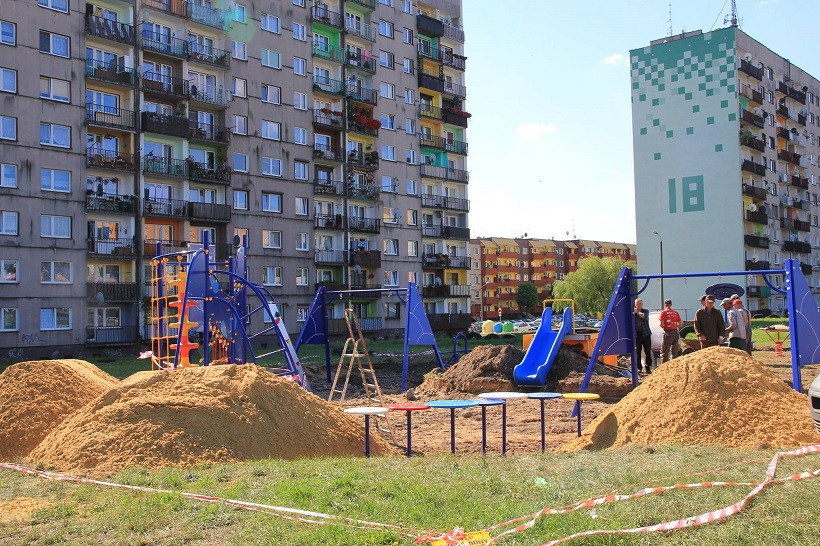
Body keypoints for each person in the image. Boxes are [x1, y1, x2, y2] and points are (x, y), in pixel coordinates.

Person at [633, 298, 652, 373]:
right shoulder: (633, 312)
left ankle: (648, 367)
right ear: (635, 304)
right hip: (637, 335)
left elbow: (644, 316)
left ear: (642, 304)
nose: (638, 305)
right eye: (637, 304)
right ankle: (639, 368)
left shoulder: (645, 311)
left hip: (646, 334)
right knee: (637, 352)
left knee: (647, 351)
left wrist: (637, 312)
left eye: (640, 303)